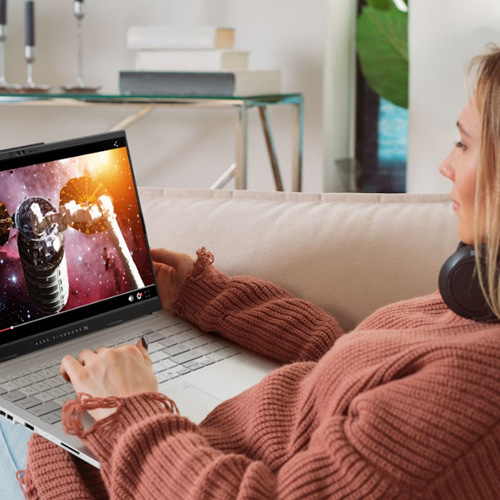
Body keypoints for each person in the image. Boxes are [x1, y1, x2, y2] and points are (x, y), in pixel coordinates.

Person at [3, 47, 500, 499]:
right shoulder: (478, 303)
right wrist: (204, 296)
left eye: (463, 144)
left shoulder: (476, 399)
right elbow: (342, 363)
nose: (445, 166)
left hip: (84, 471)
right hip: (146, 441)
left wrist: (128, 409)